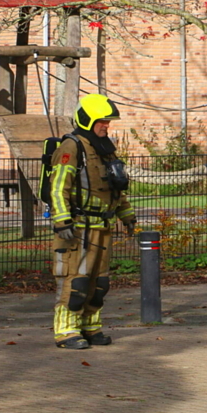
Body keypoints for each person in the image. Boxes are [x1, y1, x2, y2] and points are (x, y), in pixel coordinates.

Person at [49, 93, 137, 349]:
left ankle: (90, 327)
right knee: (75, 281)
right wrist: (63, 220)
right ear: (87, 119)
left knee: (99, 282)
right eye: (102, 121)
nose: (106, 126)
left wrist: (126, 214)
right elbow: (58, 187)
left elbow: (114, 189)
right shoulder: (71, 147)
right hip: (77, 229)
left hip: (102, 227)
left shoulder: (104, 149)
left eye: (108, 122)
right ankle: (66, 331)